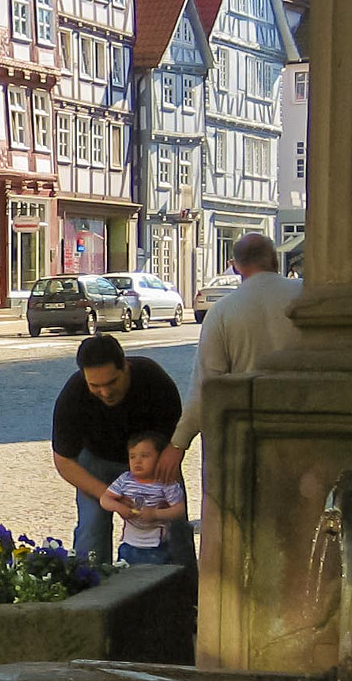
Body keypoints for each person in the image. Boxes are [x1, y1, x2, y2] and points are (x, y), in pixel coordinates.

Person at [157, 232, 300, 486]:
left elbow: (207, 386)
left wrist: (179, 443)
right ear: (275, 260)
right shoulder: (305, 296)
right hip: (303, 424)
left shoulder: (222, 311)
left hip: (246, 433)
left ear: (236, 267)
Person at [51, 333, 184, 563]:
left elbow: (177, 434)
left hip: (153, 461)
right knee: (92, 529)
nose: (105, 392)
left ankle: (185, 592)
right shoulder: (73, 394)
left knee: (173, 528)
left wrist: (175, 451)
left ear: (125, 366)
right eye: (95, 385)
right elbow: (64, 461)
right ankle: (90, 586)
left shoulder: (153, 378)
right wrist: (108, 495)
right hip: (96, 462)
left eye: (112, 382)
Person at [101, 430, 188, 567]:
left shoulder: (165, 483)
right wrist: (119, 507)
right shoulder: (125, 479)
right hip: (129, 544)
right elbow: (105, 499)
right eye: (132, 457)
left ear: (160, 459)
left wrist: (155, 514)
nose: (138, 461)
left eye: (145, 456)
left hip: (156, 546)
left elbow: (179, 509)